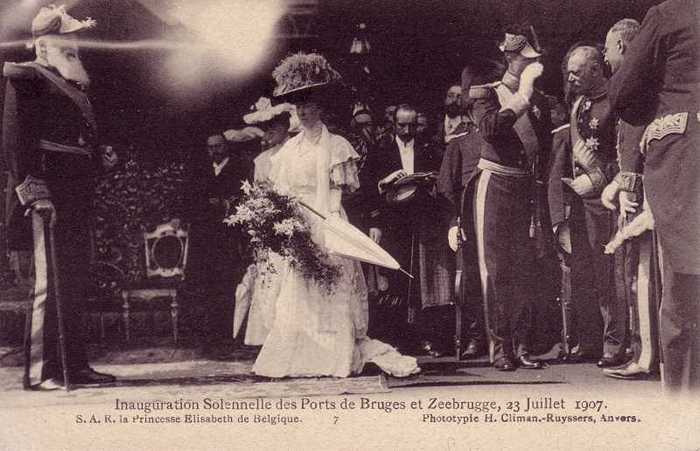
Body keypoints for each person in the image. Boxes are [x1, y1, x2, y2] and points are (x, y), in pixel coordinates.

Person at [252, 52, 419, 378]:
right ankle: (298, 356)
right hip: (295, 224)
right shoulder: (287, 150)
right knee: (298, 291)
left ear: (320, 107)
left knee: (331, 286)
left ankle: (334, 356)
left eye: (308, 104)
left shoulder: (338, 146)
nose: (302, 110)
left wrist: (326, 224)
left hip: (326, 220)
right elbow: (281, 192)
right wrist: (285, 224)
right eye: (297, 105)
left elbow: (336, 193)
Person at [2, 5, 116, 390]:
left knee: (73, 281)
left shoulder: (73, 83)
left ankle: (73, 365)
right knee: (48, 284)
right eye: (64, 41)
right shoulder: (26, 78)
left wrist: (100, 155)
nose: (73, 47)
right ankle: (41, 372)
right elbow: (17, 144)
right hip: (47, 193)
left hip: (76, 193)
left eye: (74, 42)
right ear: (42, 45)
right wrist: (34, 194)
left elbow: (76, 143)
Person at [608, 0, 699, 392]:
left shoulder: (669, 14)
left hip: (686, 156)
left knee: (683, 292)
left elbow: (624, 92)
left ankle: (683, 409)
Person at [468, 25, 551, 371]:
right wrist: (523, 94)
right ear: (509, 58)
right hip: (495, 184)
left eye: (534, 60)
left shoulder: (541, 101)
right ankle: (499, 346)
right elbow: (490, 129)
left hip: (523, 188)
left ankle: (522, 344)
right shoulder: (484, 93)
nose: (532, 65)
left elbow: (543, 147)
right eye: (524, 59)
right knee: (495, 270)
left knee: (523, 269)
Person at [598, 19, 661, 380]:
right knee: (634, 277)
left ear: (622, 47)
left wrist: (625, 188)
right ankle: (643, 352)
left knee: (642, 277)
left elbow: (639, 147)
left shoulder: (637, 90)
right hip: (632, 189)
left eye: (608, 49)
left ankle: (647, 356)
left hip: (640, 195)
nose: (606, 57)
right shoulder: (635, 87)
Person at [364, 104, 452, 355]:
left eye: (412, 125)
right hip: (392, 223)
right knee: (396, 279)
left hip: (422, 220)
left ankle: (426, 337)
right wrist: (384, 186)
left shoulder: (429, 148)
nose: (407, 130)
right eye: (402, 125)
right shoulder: (379, 150)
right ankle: (397, 338)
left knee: (424, 281)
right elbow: (368, 188)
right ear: (393, 123)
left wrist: (429, 180)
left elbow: (441, 181)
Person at [559, 44, 628, 367]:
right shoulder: (578, 105)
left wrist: (598, 180)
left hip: (605, 200)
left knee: (607, 274)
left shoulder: (617, 101)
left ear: (596, 69)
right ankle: (589, 340)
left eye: (577, 71)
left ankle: (614, 343)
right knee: (582, 273)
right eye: (570, 71)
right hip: (579, 200)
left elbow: (625, 156)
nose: (571, 77)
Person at [233, 97, 293, 346]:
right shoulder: (262, 160)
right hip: (272, 224)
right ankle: (270, 336)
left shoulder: (295, 152)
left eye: (275, 128)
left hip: (295, 218)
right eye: (267, 129)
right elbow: (258, 195)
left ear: (286, 128)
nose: (270, 134)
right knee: (271, 277)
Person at [438, 66, 488, 359]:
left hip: (501, 220)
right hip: (469, 221)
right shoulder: (460, 142)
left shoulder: (505, 138)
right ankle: (474, 336)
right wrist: (453, 222)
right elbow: (446, 188)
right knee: (471, 279)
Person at [185, 134, 250, 351]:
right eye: (210, 147)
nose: (214, 151)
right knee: (206, 288)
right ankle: (208, 338)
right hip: (204, 239)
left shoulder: (239, 169)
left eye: (218, 146)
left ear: (226, 146)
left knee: (226, 287)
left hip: (227, 238)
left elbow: (244, 199)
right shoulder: (200, 171)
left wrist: (224, 203)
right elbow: (191, 200)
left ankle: (226, 338)